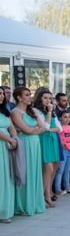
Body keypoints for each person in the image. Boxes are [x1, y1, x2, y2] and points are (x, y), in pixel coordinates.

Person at [11, 87, 46, 216]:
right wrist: (34, 129)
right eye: (26, 95)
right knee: (25, 172)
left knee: (35, 172)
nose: (30, 97)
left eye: (30, 94)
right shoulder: (15, 113)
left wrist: (34, 129)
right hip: (24, 144)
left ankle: (34, 202)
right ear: (19, 97)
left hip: (35, 144)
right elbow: (27, 130)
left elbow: (43, 127)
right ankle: (23, 204)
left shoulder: (32, 112)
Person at [33, 88, 60, 208]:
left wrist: (50, 112)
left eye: (50, 98)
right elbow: (45, 126)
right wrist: (49, 112)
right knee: (47, 169)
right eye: (45, 98)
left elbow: (60, 128)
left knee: (53, 169)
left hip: (52, 140)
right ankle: (40, 197)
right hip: (42, 140)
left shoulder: (51, 111)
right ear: (39, 98)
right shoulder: (35, 111)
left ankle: (47, 196)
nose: (48, 100)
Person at [0, 88, 18, 223]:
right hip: (3, 142)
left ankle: (5, 210)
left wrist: (15, 138)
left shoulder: (5, 111)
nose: (1, 96)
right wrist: (10, 139)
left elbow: (11, 127)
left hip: (6, 146)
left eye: (1, 93)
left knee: (6, 177)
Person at [54, 111, 70, 196]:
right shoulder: (59, 128)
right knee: (60, 170)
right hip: (63, 150)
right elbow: (58, 139)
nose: (67, 119)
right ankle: (57, 188)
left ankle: (67, 186)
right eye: (65, 117)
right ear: (60, 118)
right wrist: (62, 144)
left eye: (68, 117)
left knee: (67, 170)